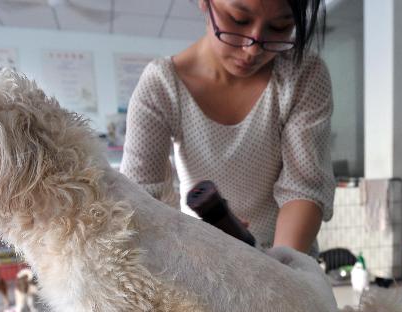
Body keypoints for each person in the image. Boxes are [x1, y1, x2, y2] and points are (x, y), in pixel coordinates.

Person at [120, 0, 335, 256]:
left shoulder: (302, 75)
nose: (252, 48)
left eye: (279, 27)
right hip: (205, 258)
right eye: (238, 19)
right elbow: (141, 203)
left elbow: (304, 188)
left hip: (289, 260)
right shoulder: (161, 87)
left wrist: (279, 271)